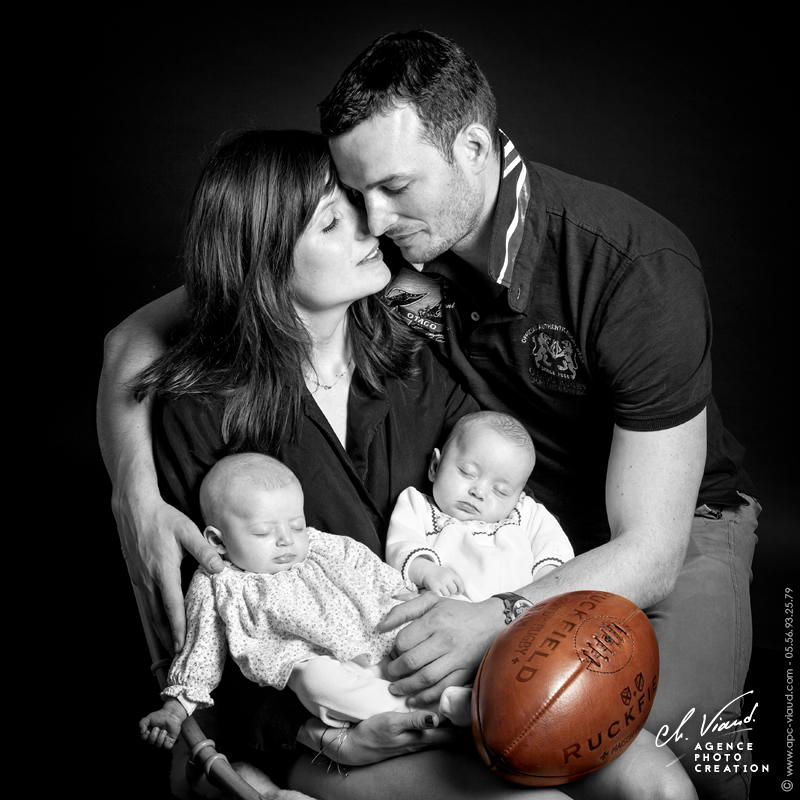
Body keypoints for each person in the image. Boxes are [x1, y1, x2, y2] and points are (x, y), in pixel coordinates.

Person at [315, 30, 759, 800]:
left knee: (657, 753)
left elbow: (651, 552)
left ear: (475, 147)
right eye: (355, 194)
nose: (373, 219)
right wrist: (138, 500)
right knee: (514, 742)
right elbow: (206, 294)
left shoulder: (631, 266)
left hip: (677, 527)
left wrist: (494, 614)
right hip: (512, 521)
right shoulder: (394, 235)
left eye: (393, 186)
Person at [140, 453, 473, 759]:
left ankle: (463, 694)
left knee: (419, 640)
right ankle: (432, 715)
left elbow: (363, 562)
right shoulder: (218, 581)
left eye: (295, 524)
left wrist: (402, 591)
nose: (287, 539)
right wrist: (176, 706)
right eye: (263, 532)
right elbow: (202, 648)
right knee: (318, 685)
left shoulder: (316, 544)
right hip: (307, 659)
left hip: (374, 630)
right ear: (217, 541)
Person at [387, 411, 573, 600]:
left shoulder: (527, 513)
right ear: (435, 466)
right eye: (467, 473)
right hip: (449, 607)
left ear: (518, 497)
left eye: (500, 491)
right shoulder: (417, 506)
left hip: (517, 614)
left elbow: (555, 551)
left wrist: (541, 592)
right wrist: (428, 571)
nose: (479, 492)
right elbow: (401, 545)